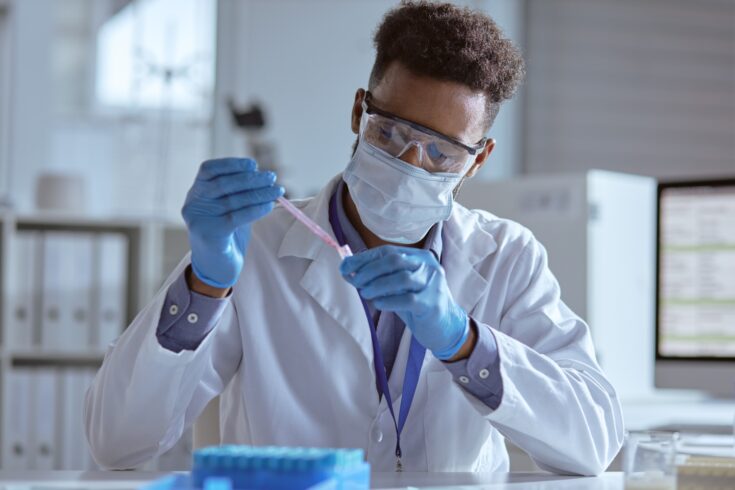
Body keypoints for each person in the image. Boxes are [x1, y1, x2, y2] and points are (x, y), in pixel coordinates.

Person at [85, 1, 623, 474]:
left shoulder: (507, 257)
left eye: (442, 152)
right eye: (390, 132)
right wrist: (204, 283)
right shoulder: (257, 245)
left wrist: (462, 342)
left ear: (478, 159)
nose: (411, 164)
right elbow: (117, 442)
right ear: (358, 111)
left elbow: (592, 439)